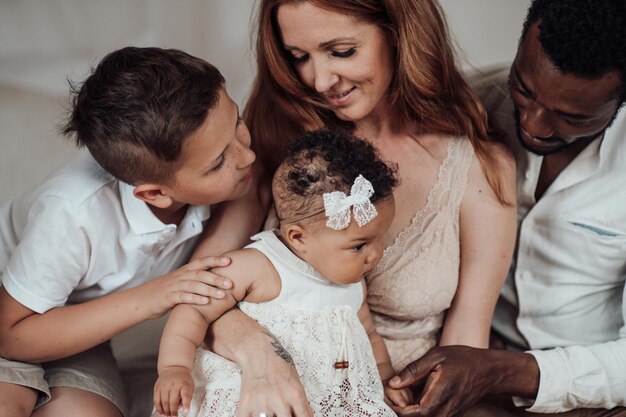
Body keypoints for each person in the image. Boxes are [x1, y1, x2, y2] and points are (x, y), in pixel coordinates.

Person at [196, 1, 517, 416]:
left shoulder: (480, 165)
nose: (319, 80)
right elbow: (197, 286)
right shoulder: (280, 142)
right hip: (265, 389)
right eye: (299, 58)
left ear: (400, 34)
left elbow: (464, 343)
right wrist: (258, 352)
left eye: (341, 51)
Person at [389, 0, 626, 416]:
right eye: (524, 88)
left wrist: (503, 370)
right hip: (468, 367)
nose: (533, 125)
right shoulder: (472, 106)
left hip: (595, 398)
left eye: (572, 117)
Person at [0, 47, 263, 417]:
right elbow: (11, 337)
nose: (245, 156)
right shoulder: (72, 213)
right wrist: (154, 296)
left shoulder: (228, 175)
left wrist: (200, 268)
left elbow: (253, 192)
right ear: (154, 194)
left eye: (237, 122)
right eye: (219, 161)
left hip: (75, 327)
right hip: (13, 312)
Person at [152, 130, 412, 417]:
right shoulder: (259, 266)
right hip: (250, 395)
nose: (375, 254)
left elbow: (370, 336)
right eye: (359, 245)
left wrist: (386, 380)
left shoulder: (353, 286)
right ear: (298, 237)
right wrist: (173, 367)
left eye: (379, 239)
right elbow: (195, 309)